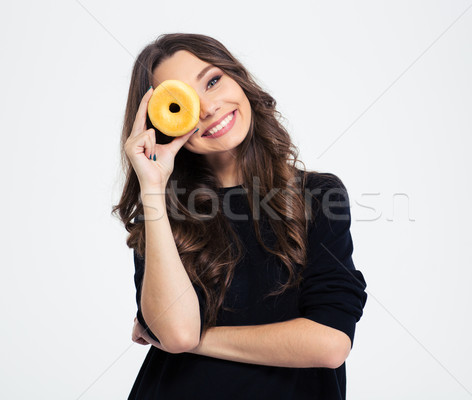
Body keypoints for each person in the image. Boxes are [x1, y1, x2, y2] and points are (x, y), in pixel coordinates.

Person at [112, 33, 368, 400]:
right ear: (161, 123)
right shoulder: (162, 213)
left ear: (238, 78)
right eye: (181, 102)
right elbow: (177, 334)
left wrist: (196, 341)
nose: (208, 108)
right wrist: (152, 186)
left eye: (213, 81)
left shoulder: (318, 195)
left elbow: (329, 344)